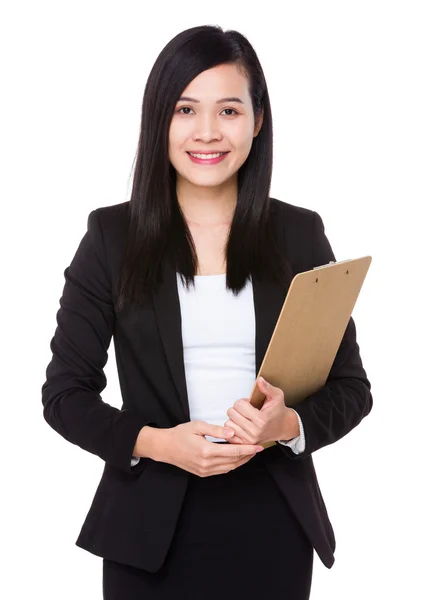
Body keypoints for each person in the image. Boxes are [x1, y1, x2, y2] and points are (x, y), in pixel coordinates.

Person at [41, 24, 373, 600]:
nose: (207, 132)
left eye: (228, 110)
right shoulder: (111, 237)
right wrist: (158, 443)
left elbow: (351, 388)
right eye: (185, 109)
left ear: (258, 120)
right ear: (158, 121)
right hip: (147, 534)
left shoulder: (299, 234)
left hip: (273, 523)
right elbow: (64, 396)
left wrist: (287, 426)